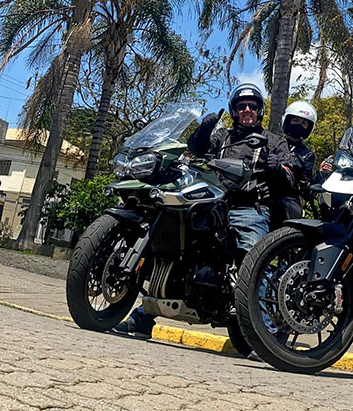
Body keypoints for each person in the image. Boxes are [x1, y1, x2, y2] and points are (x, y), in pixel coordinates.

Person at [115, 83, 291, 340]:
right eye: (241, 106)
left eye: (252, 106)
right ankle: (143, 317)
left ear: (259, 110)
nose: (247, 110)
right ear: (234, 110)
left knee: (254, 261)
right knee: (179, 247)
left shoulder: (274, 141)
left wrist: (277, 169)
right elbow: (197, 150)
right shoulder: (222, 137)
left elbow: (290, 179)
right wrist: (204, 129)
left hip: (249, 208)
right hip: (212, 202)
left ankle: (268, 332)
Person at [276, 100, 319, 221]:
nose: (299, 125)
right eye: (295, 120)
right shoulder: (273, 143)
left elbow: (307, 191)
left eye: (304, 123)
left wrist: (321, 175)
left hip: (289, 200)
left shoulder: (308, 155)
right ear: (287, 121)